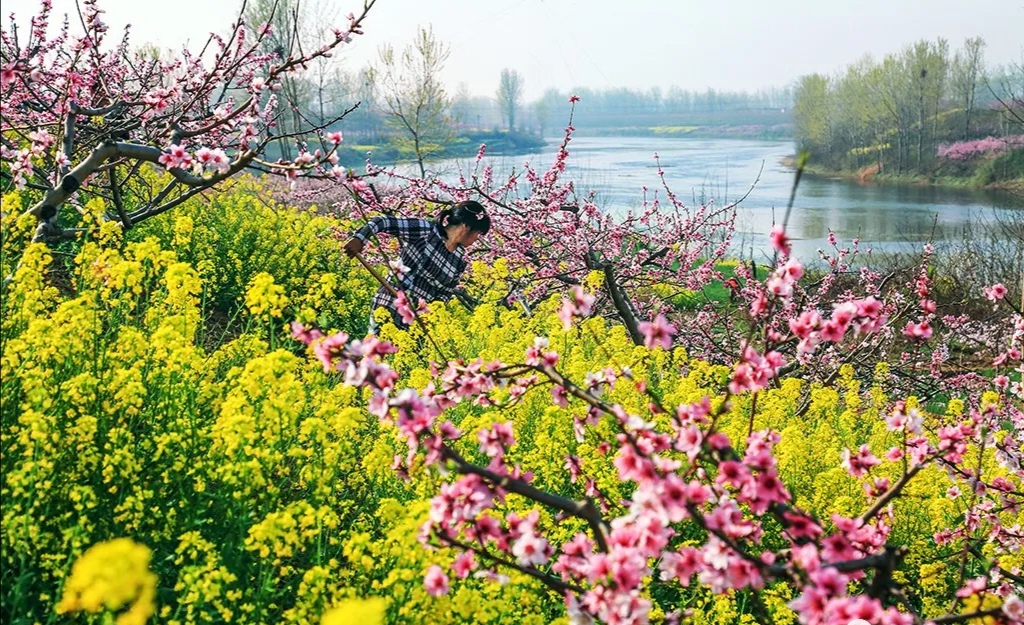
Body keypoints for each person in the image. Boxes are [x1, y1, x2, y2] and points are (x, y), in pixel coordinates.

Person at [343, 200, 491, 333]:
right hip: (390, 304)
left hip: (417, 321)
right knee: (378, 352)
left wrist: (431, 315)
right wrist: (360, 238)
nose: (477, 239)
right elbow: (383, 222)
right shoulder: (426, 231)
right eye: (478, 234)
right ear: (466, 227)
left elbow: (445, 293)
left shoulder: (459, 260)